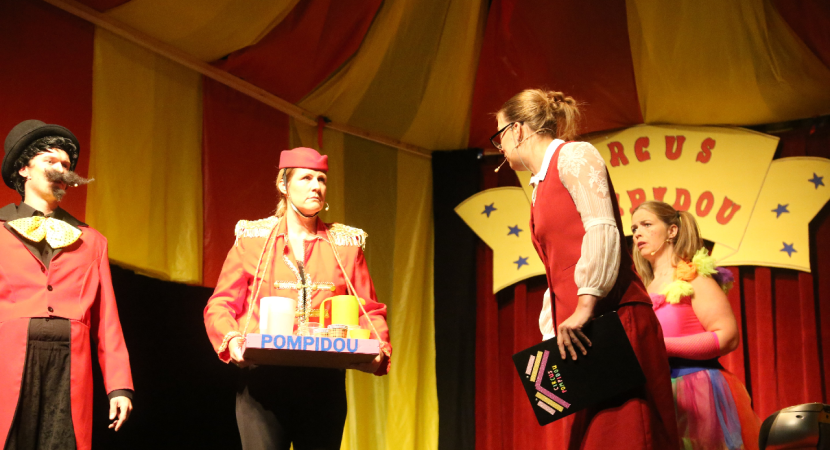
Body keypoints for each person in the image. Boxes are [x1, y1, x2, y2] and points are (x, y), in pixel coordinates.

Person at [492, 89, 679, 449]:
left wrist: (584, 305)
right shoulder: (539, 186)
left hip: (614, 321)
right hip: (585, 332)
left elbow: (602, 228)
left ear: (517, 130)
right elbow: (557, 268)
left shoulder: (574, 156)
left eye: (499, 134)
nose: (500, 146)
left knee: (630, 434)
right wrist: (554, 331)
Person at [203, 147, 391, 450]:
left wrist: (380, 347)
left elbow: (367, 309)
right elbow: (221, 304)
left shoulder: (345, 245)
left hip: (323, 382)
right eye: (306, 178)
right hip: (263, 381)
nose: (316, 186)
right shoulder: (253, 240)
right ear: (283, 185)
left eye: (321, 179)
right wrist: (232, 339)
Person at [0, 120, 134, 450]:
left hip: (70, 365)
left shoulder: (92, 241)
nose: (61, 169)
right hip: (8, 362)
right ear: (23, 169)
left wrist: (119, 386)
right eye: (50, 161)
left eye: (65, 164)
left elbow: (107, 320)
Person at [631, 200, 760, 449]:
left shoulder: (694, 278)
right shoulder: (643, 288)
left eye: (646, 224)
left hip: (697, 391)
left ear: (672, 231)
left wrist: (661, 346)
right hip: (658, 392)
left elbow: (727, 336)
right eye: (635, 228)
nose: (637, 233)